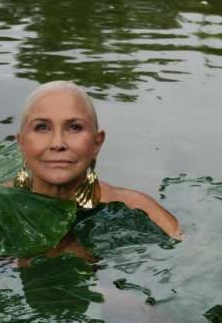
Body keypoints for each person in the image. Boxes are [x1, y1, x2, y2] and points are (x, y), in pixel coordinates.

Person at [13, 80, 181, 239]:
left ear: (97, 143)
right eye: (42, 127)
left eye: (74, 127)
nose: (58, 144)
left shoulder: (140, 210)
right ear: (21, 143)